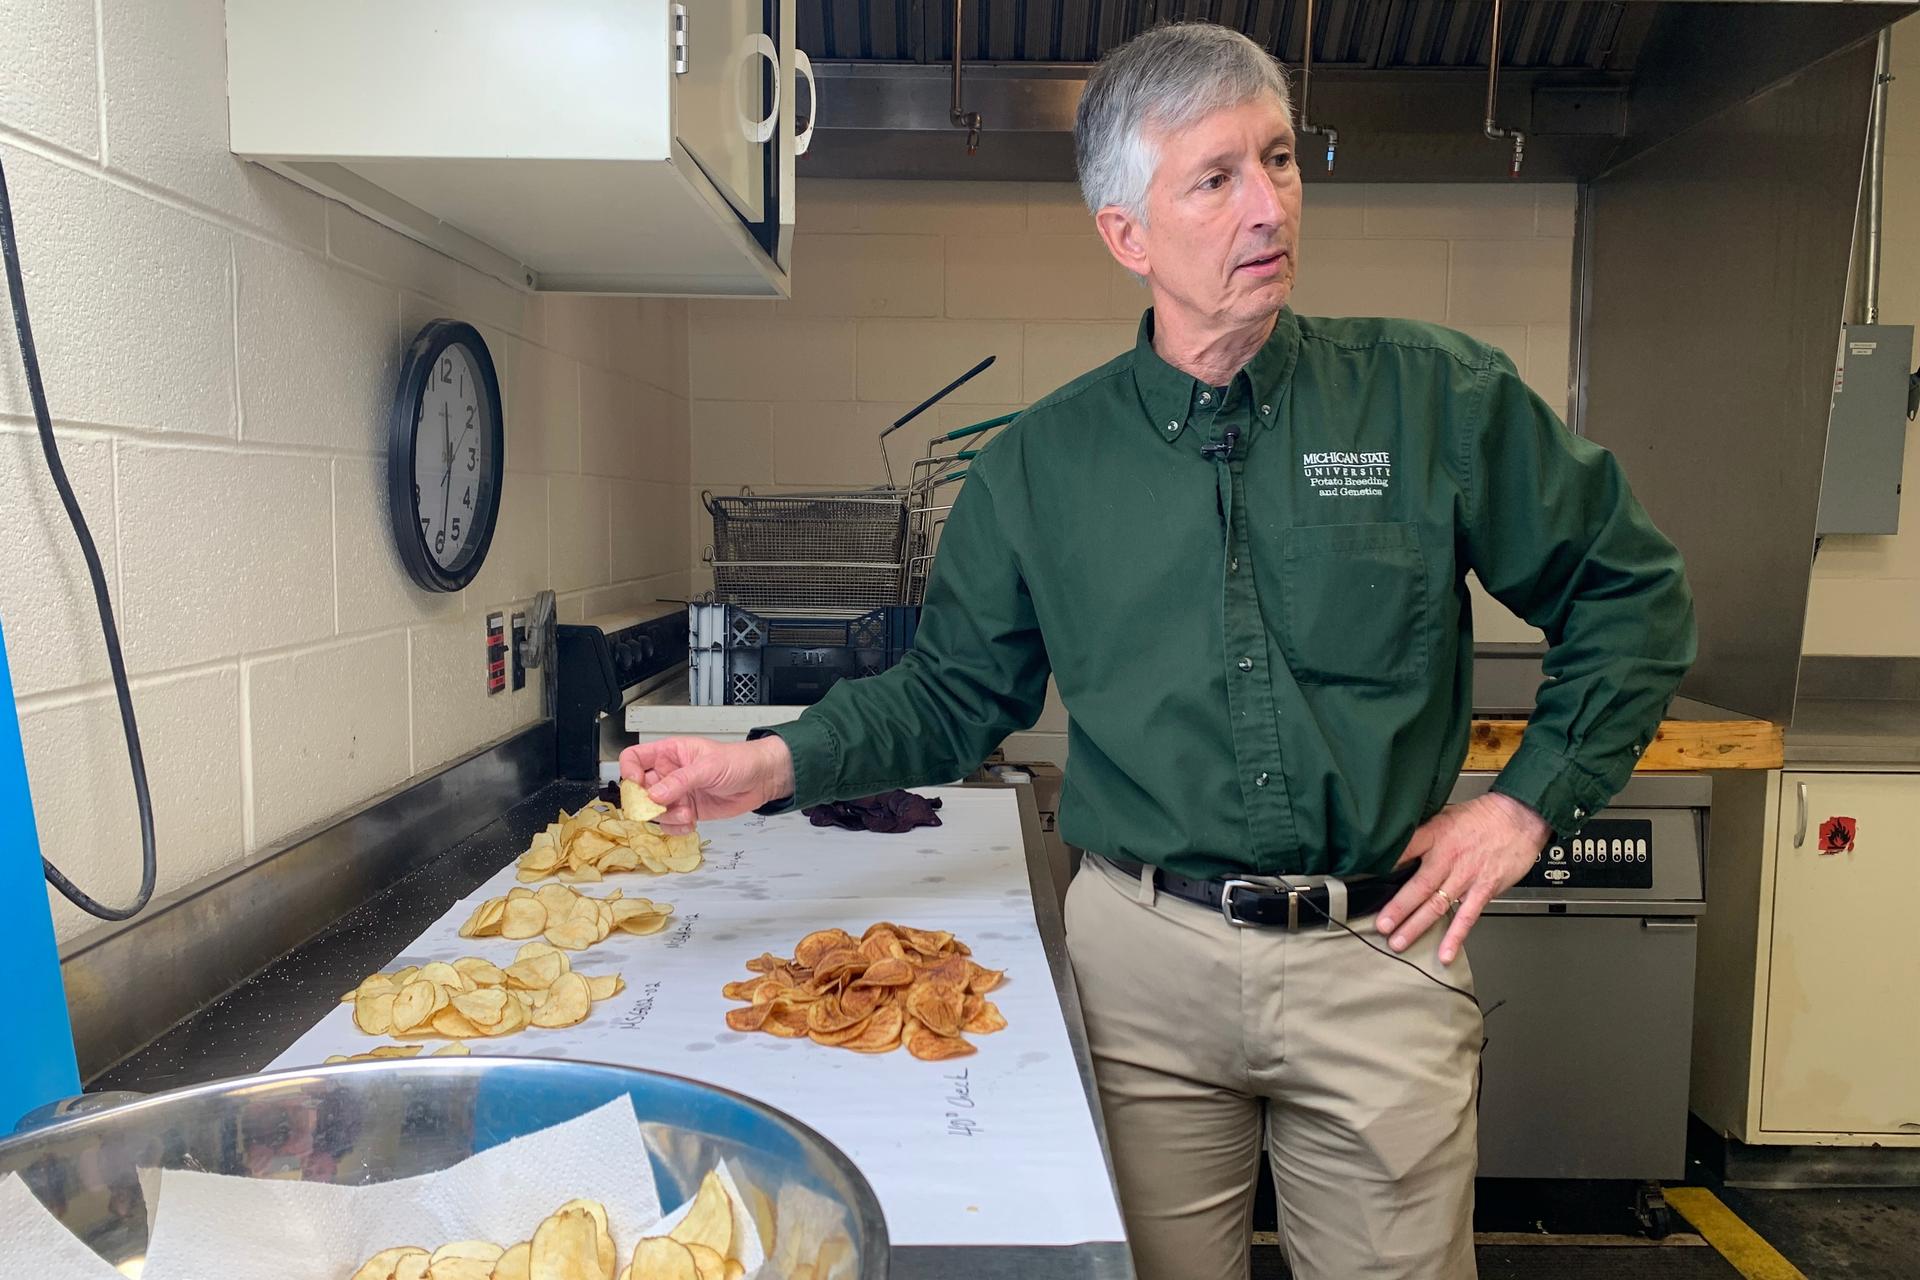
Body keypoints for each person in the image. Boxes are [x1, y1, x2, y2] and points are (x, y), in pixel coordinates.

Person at [625, 20, 1696, 1280]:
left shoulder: (1433, 398)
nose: (1267, 207)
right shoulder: (1039, 465)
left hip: (1377, 952)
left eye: (1281, 159)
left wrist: (1525, 803)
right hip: (1144, 963)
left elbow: (1632, 593)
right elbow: (956, 692)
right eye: (1215, 178)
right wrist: (769, 766)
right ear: (1127, 233)